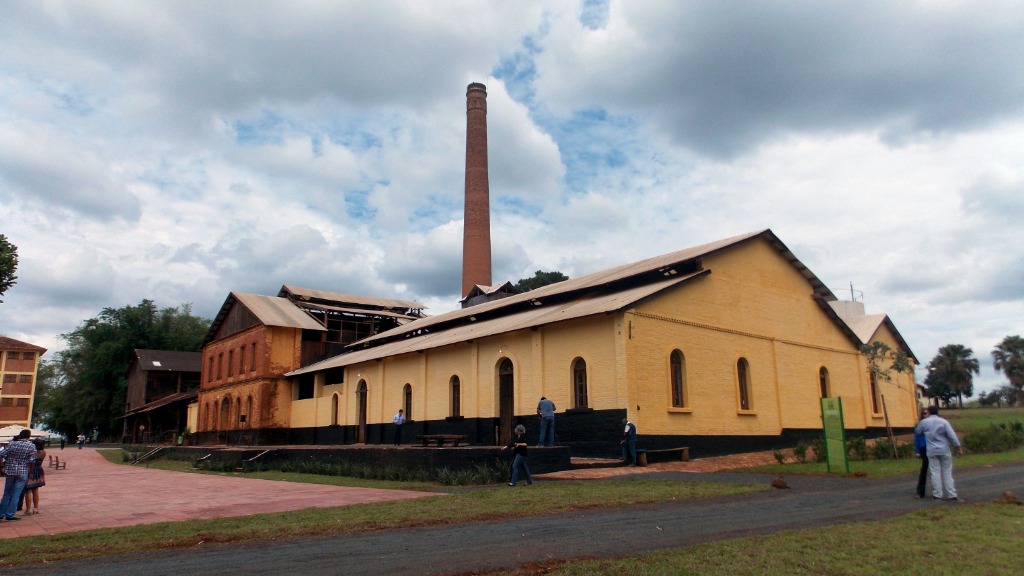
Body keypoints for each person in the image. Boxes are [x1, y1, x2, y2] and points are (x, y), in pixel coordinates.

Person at [915, 405, 963, 501]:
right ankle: (951, 494)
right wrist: (958, 447)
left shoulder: (924, 422)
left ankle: (937, 494)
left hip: (931, 450)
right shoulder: (943, 422)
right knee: (947, 472)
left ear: (929, 412)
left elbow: (918, 431)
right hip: (944, 449)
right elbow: (952, 435)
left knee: (935, 472)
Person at [0, 430, 37, 522]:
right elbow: (32, 460)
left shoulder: (12, 444)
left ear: (20, 435)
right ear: (29, 436)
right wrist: (31, 472)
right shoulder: (31, 446)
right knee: (16, 494)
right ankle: (9, 514)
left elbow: (1, 454)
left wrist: (2, 466)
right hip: (23, 472)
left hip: (10, 471)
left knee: (7, 492)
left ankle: (1, 514)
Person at [21, 439, 46, 516]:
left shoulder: (31, 452)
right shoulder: (43, 452)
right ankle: (36, 508)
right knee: (35, 490)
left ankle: (28, 509)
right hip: (39, 470)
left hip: (30, 470)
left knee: (28, 491)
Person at [913, 408, 929, 499]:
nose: (926, 415)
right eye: (924, 413)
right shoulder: (919, 425)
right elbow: (917, 438)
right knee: (924, 469)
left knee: (936, 470)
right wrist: (917, 451)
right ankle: (920, 491)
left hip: (933, 447)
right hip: (924, 448)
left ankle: (937, 491)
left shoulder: (933, 423)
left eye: (927, 413)